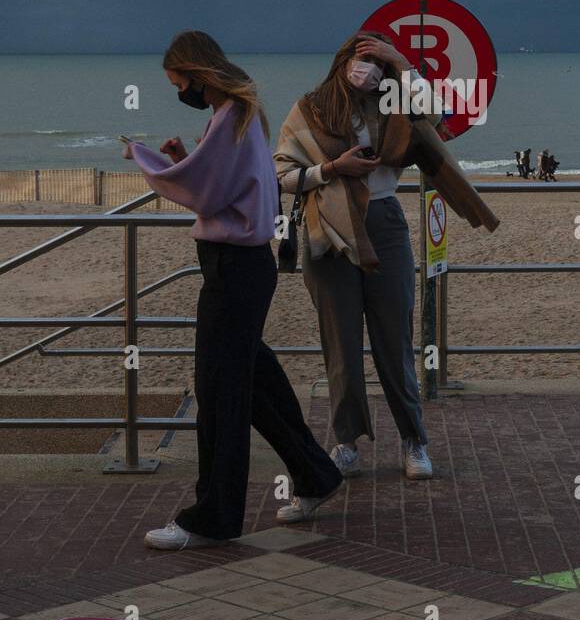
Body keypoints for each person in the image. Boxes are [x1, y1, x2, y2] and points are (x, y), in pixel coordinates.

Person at [125, 31, 342, 551]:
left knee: (220, 393)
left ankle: (214, 518)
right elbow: (224, 180)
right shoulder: (237, 116)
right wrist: (188, 154)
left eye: (181, 83)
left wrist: (150, 161)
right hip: (244, 266)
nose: (182, 92)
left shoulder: (231, 118)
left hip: (233, 268)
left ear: (199, 75)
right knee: (253, 386)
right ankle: (315, 475)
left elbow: (206, 193)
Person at [274, 30, 499, 483]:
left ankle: (414, 440)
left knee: (394, 339)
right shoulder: (310, 108)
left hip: (384, 222)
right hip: (330, 229)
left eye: (377, 64)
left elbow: (436, 117)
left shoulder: (397, 104)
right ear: (341, 62)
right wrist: (335, 169)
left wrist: (401, 61)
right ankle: (345, 443)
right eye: (361, 60)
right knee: (340, 343)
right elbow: (283, 173)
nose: (367, 72)